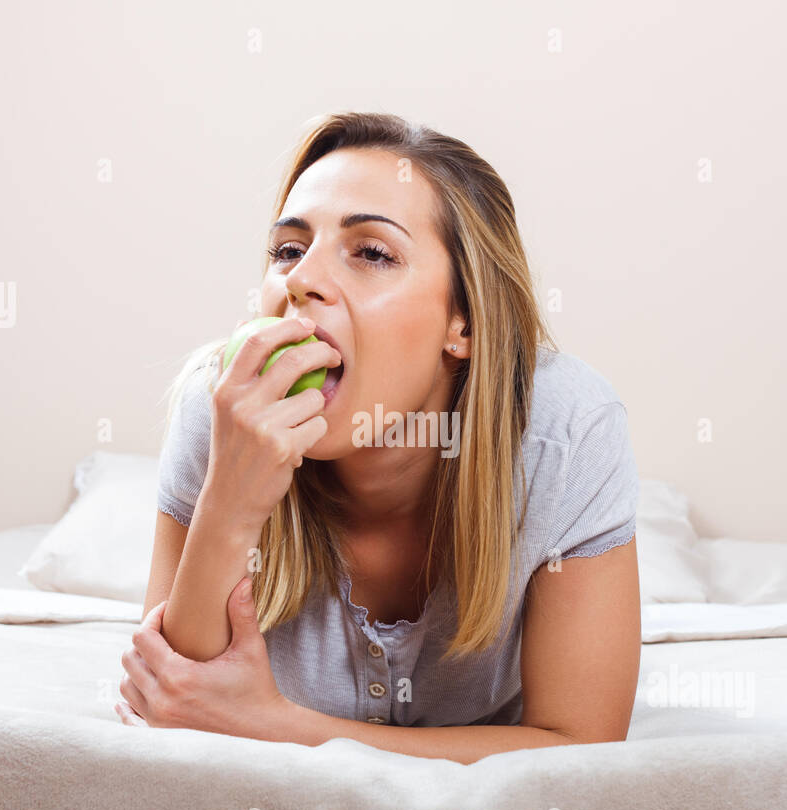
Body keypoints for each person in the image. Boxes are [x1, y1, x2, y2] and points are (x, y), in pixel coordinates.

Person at [117, 112, 641, 765]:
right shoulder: (224, 403)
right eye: (288, 250)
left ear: (466, 321)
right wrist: (230, 498)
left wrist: (273, 724)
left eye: (370, 252)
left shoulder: (565, 430)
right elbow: (168, 710)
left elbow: (581, 744)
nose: (301, 280)